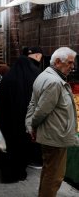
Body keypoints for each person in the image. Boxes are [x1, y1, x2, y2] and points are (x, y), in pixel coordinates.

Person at [25, 47, 79, 197]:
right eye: (69, 63)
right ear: (57, 62)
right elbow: (40, 110)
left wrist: (31, 125)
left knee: (49, 172)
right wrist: (32, 126)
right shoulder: (54, 82)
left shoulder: (44, 75)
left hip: (52, 135)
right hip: (55, 137)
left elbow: (33, 104)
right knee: (54, 177)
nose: (72, 66)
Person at [0, 55, 41, 183]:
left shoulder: (8, 79)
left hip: (8, 123)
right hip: (24, 122)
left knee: (8, 147)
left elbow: (0, 102)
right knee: (22, 148)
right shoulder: (32, 80)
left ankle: (7, 173)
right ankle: (20, 171)